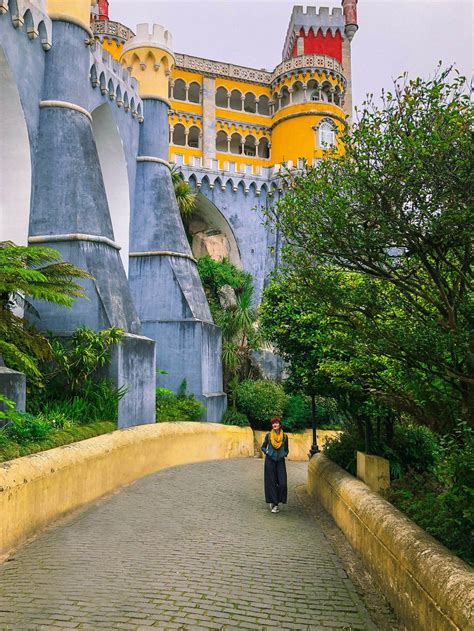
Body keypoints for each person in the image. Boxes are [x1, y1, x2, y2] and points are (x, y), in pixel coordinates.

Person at [261, 417, 289, 513]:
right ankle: (274, 503)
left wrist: (284, 454)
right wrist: (267, 452)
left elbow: (287, 449)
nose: (274, 425)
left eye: (276, 423)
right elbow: (263, 447)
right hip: (270, 460)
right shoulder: (268, 436)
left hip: (280, 461)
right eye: (273, 423)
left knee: (282, 483)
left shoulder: (285, 437)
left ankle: (278, 499)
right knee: (271, 482)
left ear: (280, 424)